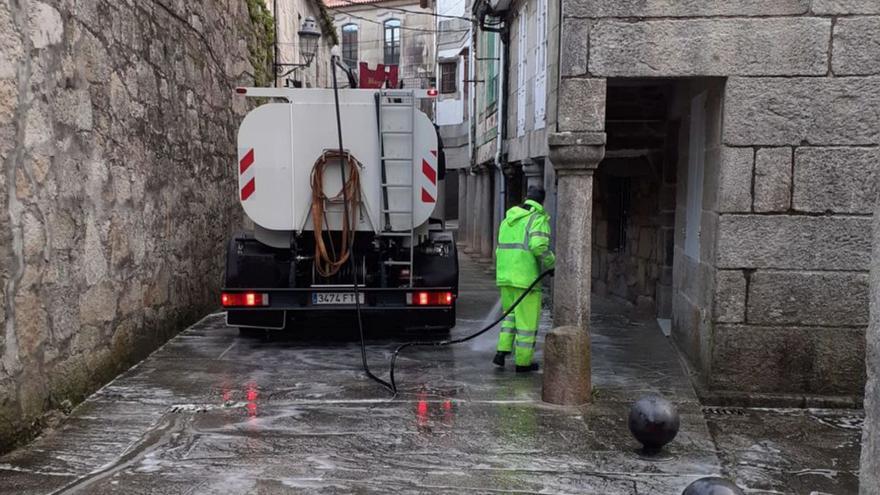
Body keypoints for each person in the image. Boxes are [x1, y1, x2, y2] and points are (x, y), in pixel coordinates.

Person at [493, 185, 556, 372]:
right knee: (527, 323)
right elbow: (538, 246)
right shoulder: (537, 219)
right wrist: (552, 264)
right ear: (542, 201)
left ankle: (501, 352)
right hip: (526, 279)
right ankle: (523, 362)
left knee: (510, 316)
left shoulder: (508, 219)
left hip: (505, 276)